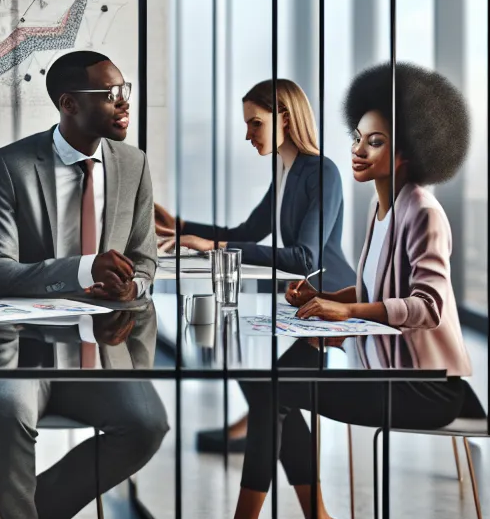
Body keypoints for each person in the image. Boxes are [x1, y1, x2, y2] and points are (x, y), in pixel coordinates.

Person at [198, 61, 482, 519]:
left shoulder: (422, 211)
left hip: (426, 387)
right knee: (270, 390)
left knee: (271, 390)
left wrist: (347, 313)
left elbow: (427, 306)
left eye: (375, 142)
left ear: (408, 153)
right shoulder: (384, 211)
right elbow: (375, 289)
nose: (358, 149)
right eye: (358, 136)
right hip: (390, 375)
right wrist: (326, 298)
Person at [0, 50, 171, 519]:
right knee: (6, 411)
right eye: (109, 94)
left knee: (149, 424)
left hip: (103, 344)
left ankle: (31, 506)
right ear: (68, 104)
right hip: (23, 344)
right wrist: (83, 269)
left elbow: (146, 257)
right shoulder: (12, 165)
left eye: (122, 88)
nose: (123, 101)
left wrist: (133, 286)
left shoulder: (132, 165)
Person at [152, 78, 355, 455]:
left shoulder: (321, 172)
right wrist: (180, 227)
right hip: (300, 299)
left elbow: (304, 258)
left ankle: (255, 435)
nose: (247, 134)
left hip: (329, 300)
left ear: (286, 118)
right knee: (256, 375)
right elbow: (248, 232)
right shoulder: (284, 172)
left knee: (267, 390)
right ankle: (256, 431)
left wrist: (216, 247)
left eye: (255, 123)